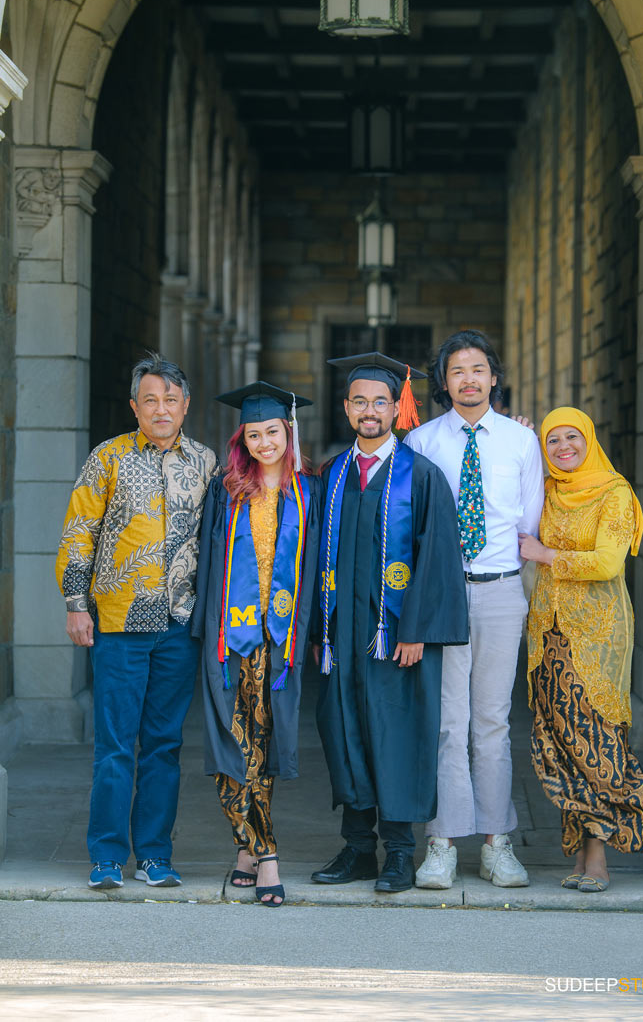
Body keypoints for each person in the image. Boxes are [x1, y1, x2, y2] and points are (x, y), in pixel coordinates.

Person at [55, 352, 218, 890]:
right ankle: (105, 856)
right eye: (150, 400)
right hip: (120, 622)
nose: (161, 408)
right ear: (134, 406)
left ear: (186, 405)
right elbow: (80, 529)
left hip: (179, 623)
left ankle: (154, 854)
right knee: (115, 744)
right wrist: (77, 602)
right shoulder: (109, 458)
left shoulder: (206, 463)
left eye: (170, 399)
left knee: (165, 744)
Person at [311, 352, 469, 893]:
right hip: (343, 636)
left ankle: (400, 851)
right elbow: (311, 560)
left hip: (394, 637)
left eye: (380, 401)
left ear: (396, 408)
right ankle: (358, 849)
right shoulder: (331, 474)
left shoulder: (421, 477)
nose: (370, 411)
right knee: (346, 731)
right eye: (360, 402)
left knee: (397, 733)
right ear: (347, 409)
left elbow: (438, 558)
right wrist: (319, 632)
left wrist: (415, 630)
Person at [405, 329, 544, 890]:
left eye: (478, 369)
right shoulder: (420, 442)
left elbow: (527, 521)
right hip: (443, 594)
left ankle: (495, 841)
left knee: (492, 721)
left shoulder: (520, 442)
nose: (469, 379)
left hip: (502, 590)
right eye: (458, 370)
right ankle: (441, 842)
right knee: (445, 723)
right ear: (444, 382)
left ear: (493, 377)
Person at [192, 382, 321, 907]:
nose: (264, 442)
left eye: (272, 431)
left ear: (288, 432)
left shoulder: (310, 490)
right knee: (232, 743)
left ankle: (247, 851)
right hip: (231, 640)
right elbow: (204, 562)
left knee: (263, 747)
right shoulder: (225, 490)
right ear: (241, 438)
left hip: (281, 641)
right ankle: (267, 855)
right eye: (254, 434)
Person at [518, 407, 643, 892]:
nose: (563, 447)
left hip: (597, 636)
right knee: (562, 741)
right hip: (548, 636)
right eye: (553, 441)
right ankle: (579, 855)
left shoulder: (614, 492)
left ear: (589, 439)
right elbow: (519, 483)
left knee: (595, 739)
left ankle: (598, 859)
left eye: (572, 437)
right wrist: (522, 439)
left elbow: (609, 561)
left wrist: (546, 554)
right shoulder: (550, 489)